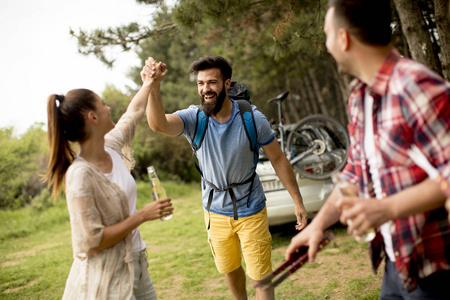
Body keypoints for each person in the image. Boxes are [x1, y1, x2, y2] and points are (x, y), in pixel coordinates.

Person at [286, 0, 450, 299]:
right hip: (395, 263)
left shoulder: (417, 86)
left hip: (437, 269)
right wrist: (318, 226)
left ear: (343, 39)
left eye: (327, 35)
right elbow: (354, 173)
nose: (326, 45)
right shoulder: (360, 96)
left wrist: (387, 209)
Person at [145, 56, 308, 300]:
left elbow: (278, 158)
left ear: (227, 83)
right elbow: (158, 124)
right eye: (200, 83)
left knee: (260, 275)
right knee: (230, 269)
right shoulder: (194, 119)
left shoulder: (251, 118)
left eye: (212, 82)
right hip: (215, 210)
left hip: (251, 207)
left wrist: (297, 200)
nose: (205, 89)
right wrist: (153, 84)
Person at [44, 58, 173, 300]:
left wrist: (149, 82)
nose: (109, 108)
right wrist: (142, 215)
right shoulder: (80, 175)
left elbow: (133, 112)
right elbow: (91, 241)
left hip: (138, 264)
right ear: (92, 117)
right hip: (108, 278)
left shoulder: (112, 146)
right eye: (103, 104)